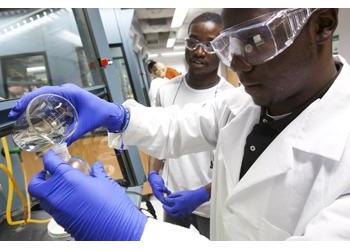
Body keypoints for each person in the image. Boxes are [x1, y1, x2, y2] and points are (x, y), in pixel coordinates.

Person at [9, 8, 350, 241]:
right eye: (229, 46)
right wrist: (118, 115)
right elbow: (178, 126)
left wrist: (132, 233)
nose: (239, 63)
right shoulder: (243, 103)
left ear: (321, 25)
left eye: (256, 41)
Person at [147, 12, 233, 239]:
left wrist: (201, 195)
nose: (199, 50)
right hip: (173, 200)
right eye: (193, 42)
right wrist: (153, 172)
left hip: (212, 206)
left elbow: (236, 166)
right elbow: (159, 140)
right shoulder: (165, 91)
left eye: (210, 44)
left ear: (223, 49)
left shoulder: (231, 99)